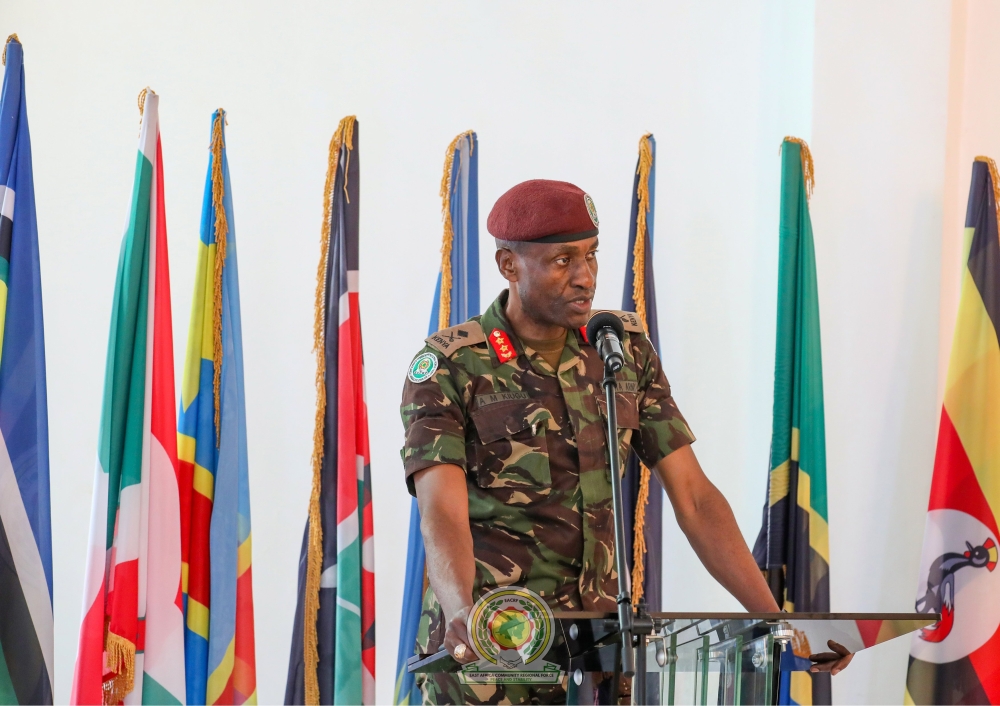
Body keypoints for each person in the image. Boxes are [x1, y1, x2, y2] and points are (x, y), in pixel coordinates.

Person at [400, 179, 851, 705]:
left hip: (598, 655)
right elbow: (441, 512)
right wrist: (463, 615)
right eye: (562, 261)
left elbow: (695, 498)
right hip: (494, 650)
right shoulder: (451, 365)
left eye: (591, 256)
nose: (585, 278)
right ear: (508, 265)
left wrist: (774, 620)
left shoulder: (620, 349)